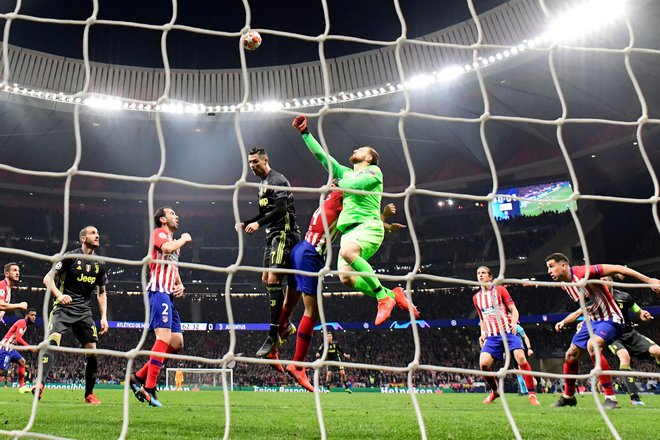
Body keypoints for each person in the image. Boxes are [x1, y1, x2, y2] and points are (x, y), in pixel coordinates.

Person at [292, 115, 419, 326]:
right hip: (348, 233)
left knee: (347, 253)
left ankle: (382, 297)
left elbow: (357, 185)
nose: (354, 151)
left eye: (360, 150)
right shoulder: (346, 172)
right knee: (346, 278)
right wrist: (305, 133)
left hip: (368, 227)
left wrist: (339, 181)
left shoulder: (374, 171)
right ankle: (393, 293)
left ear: (369, 158)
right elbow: (323, 156)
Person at [284, 187, 403, 391]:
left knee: (291, 301)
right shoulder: (344, 201)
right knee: (311, 313)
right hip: (311, 254)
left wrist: (386, 225)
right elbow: (361, 221)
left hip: (301, 248)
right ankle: (298, 365)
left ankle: (276, 341)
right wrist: (383, 218)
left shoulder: (330, 198)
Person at [546, 252, 660, 409]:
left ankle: (610, 398)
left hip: (610, 318)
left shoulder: (583, 272)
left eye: (551, 267)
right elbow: (586, 305)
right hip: (592, 321)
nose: (549, 271)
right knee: (570, 355)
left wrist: (650, 281)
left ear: (563, 265)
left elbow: (619, 268)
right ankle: (569, 396)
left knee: (593, 345)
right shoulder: (565, 284)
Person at [236, 147, 301, 359]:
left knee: (274, 279)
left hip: (285, 233)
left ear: (266, 161)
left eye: (255, 162)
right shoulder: (261, 185)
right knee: (265, 279)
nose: (252, 166)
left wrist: (258, 224)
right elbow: (264, 212)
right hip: (271, 236)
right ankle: (287, 324)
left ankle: (274, 334)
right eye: (250, 162)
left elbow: (281, 209)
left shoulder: (278, 180)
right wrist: (248, 222)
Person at [36, 226, 109, 404]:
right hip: (63, 309)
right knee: (52, 341)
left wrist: (104, 317)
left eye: (98, 232)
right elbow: (48, 279)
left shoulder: (100, 264)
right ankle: (39, 385)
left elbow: (101, 293)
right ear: (83, 239)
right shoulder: (70, 257)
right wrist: (60, 296)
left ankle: (89, 394)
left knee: (92, 352)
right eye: (93, 233)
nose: (97, 235)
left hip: (84, 312)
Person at [130, 207, 192, 407]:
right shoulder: (160, 234)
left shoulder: (173, 242)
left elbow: (171, 265)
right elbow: (166, 249)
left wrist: (179, 283)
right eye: (173, 213)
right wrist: (184, 238)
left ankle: (138, 377)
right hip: (158, 291)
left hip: (169, 294)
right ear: (163, 219)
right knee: (163, 338)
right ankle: (149, 387)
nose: (177, 215)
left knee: (177, 343)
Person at [473, 266, 540, 405]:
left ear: (490, 277)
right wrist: (483, 333)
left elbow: (514, 310)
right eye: (478, 273)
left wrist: (514, 324)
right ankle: (495, 391)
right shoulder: (476, 298)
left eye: (483, 273)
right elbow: (482, 318)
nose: (480, 275)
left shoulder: (500, 290)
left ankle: (532, 395)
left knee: (521, 357)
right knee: (483, 364)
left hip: (508, 332)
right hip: (492, 336)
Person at [0, 308, 37, 393]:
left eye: (35, 315)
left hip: (11, 349)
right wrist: (30, 348)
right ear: (27, 315)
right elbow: (19, 339)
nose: (34, 317)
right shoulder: (22, 323)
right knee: (2, 371)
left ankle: (22, 387)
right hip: (5, 347)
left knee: (22, 362)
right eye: (31, 315)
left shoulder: (25, 325)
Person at [514, 323, 534, 395]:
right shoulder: (504, 327)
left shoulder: (517, 327)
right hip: (511, 351)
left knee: (523, 370)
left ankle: (527, 390)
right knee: (517, 372)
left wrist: (529, 348)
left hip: (519, 349)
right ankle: (523, 391)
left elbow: (525, 337)